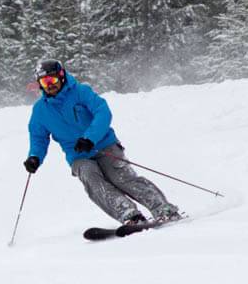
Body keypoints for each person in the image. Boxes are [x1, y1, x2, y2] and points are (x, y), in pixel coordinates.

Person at [24, 59, 181, 226]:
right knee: (92, 179)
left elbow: (102, 112)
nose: (50, 85)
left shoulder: (80, 92)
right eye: (44, 81)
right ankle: (129, 215)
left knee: (120, 178)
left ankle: (163, 208)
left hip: (104, 144)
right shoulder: (40, 111)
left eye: (53, 80)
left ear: (62, 77)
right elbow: (38, 138)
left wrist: (90, 138)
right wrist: (35, 157)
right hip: (78, 154)